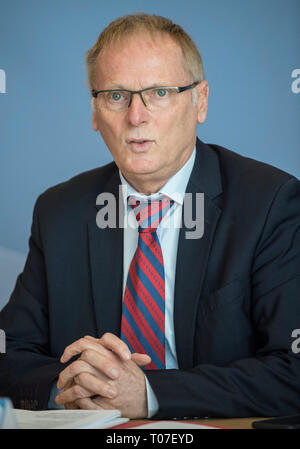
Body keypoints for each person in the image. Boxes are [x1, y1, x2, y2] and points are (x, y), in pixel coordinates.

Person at [0, 13, 300, 419]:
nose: (136, 116)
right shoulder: (60, 212)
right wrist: (66, 386)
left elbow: (292, 368)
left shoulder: (269, 203)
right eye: (116, 95)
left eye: (159, 92)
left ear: (201, 101)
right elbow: (9, 351)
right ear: (94, 111)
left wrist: (148, 393)